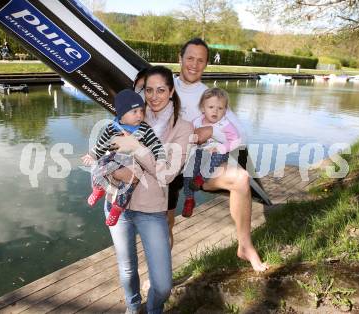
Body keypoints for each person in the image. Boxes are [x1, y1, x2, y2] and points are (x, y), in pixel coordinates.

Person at [171, 37, 269, 272]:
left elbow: (240, 136)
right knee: (164, 220)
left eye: (200, 60)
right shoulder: (165, 87)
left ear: (206, 64)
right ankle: (162, 276)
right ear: (180, 58)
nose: (194, 64)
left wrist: (212, 130)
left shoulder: (211, 98)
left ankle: (245, 246)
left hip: (199, 165)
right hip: (167, 164)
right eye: (190, 58)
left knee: (241, 178)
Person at [105, 65, 193, 313]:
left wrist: (135, 147)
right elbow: (105, 158)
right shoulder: (126, 118)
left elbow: (166, 175)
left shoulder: (182, 128)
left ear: (171, 91)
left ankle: (154, 309)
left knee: (163, 285)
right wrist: (116, 175)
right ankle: (133, 307)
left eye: (161, 90)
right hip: (117, 204)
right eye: (148, 90)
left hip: (152, 210)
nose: (153, 96)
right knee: (127, 268)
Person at [82, 89, 166, 227]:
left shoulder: (145, 129)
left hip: (133, 162)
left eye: (141, 111)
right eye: (134, 112)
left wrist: (161, 158)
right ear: (121, 113)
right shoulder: (111, 127)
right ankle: (98, 189)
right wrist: (92, 154)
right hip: (114, 159)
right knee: (99, 165)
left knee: (127, 186)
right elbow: (102, 144)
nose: (140, 115)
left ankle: (117, 208)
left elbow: (156, 145)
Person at [182, 87, 241, 217]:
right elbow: (188, 135)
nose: (215, 111)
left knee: (216, 155)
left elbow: (237, 140)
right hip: (200, 153)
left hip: (217, 153)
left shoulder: (225, 124)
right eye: (211, 107)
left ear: (225, 111)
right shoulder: (196, 122)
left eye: (220, 108)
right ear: (203, 108)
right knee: (187, 173)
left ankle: (201, 178)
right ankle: (189, 199)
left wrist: (222, 148)